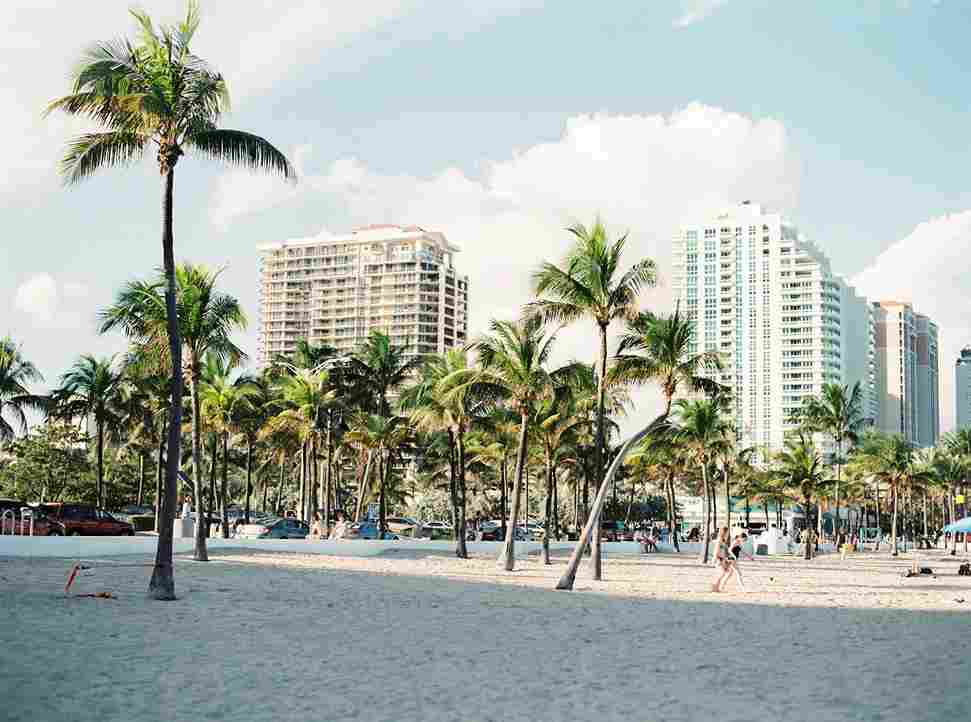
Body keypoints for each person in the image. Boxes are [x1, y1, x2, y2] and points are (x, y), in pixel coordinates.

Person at [712, 526, 735, 592]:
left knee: (726, 572)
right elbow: (716, 549)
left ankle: (717, 587)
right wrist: (716, 558)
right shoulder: (719, 540)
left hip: (722, 558)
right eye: (727, 532)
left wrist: (726, 559)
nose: (728, 534)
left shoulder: (723, 540)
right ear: (724, 532)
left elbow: (723, 551)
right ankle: (715, 587)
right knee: (722, 572)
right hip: (718, 558)